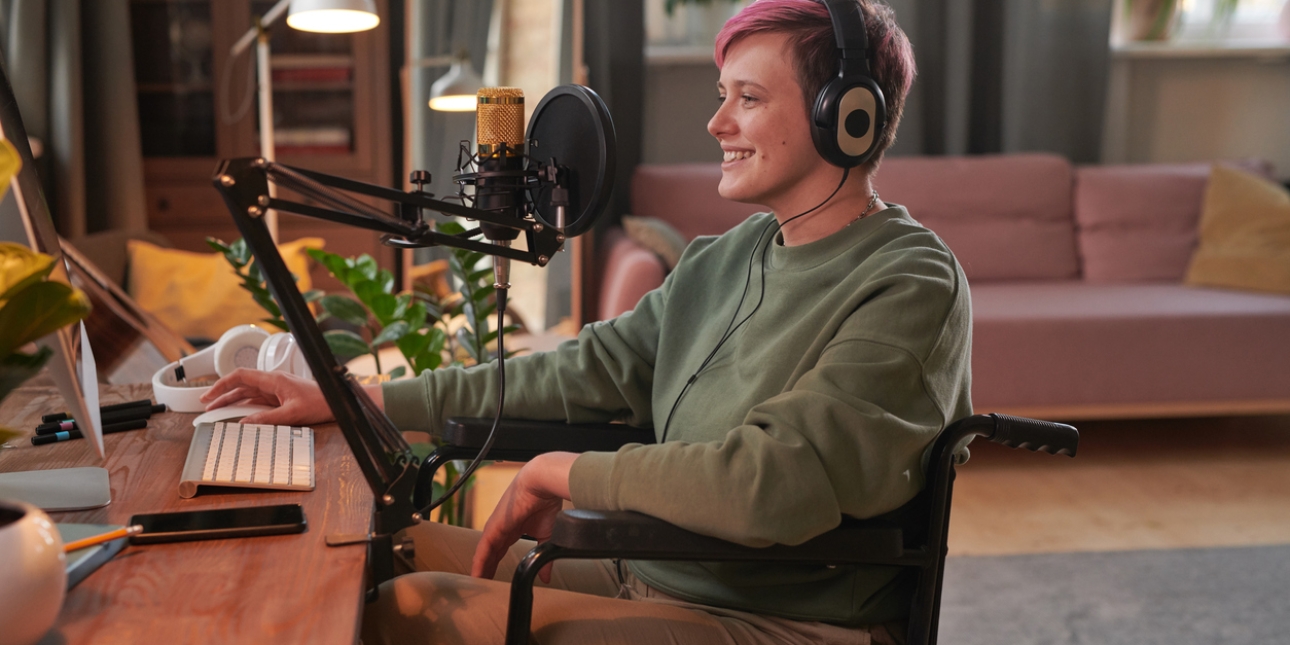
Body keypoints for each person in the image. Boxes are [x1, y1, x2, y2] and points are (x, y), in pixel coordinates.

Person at [201, 1, 971, 643]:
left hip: (779, 618)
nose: (716, 123)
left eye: (748, 98)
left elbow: (770, 482)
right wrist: (354, 400)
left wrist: (560, 471)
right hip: (649, 566)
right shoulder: (724, 258)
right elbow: (581, 370)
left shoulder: (909, 283)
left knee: (409, 611)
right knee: (372, 548)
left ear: (847, 118)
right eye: (722, 94)